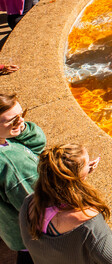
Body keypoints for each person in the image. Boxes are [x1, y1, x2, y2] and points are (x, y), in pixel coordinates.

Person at [20, 143, 112, 264]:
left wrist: (81, 173)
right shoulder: (84, 219)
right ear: (75, 178)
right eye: (86, 164)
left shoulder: (29, 203)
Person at [0, 93, 46, 263]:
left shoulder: (5, 140)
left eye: (22, 114)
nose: (21, 122)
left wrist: (21, 128)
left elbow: (37, 143)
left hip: (10, 229)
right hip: (31, 237)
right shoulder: (11, 163)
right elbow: (37, 208)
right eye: (12, 120)